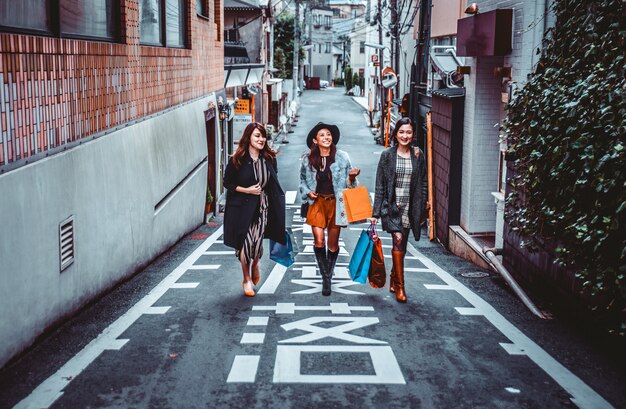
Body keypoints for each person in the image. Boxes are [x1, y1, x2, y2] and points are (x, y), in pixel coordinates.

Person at [223, 123, 286, 297]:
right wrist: (247, 190)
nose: (261, 139)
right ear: (248, 137)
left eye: (263, 136)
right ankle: (246, 279)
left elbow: (273, 182)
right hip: (241, 209)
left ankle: (256, 263)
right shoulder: (237, 159)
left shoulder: (269, 159)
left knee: (256, 244)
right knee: (244, 244)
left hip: (262, 208)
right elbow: (227, 183)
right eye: (257, 136)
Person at [299, 122, 360, 296]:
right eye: (322, 135)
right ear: (315, 140)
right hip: (317, 203)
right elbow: (301, 181)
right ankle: (326, 279)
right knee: (319, 241)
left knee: (333, 245)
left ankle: (328, 274)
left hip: (336, 203)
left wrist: (352, 177)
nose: (326, 138)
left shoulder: (342, 157)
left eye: (328, 135)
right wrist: (307, 192)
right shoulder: (307, 159)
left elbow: (352, 187)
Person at [371, 117, 427, 303]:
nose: (405, 135)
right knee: (397, 238)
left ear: (413, 135)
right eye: (401, 132)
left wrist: (423, 203)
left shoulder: (418, 155)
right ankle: (400, 288)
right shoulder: (387, 156)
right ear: (396, 134)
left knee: (402, 246)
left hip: (410, 209)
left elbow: (423, 183)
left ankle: (395, 278)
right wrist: (375, 213)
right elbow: (380, 185)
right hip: (392, 208)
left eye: (409, 132)